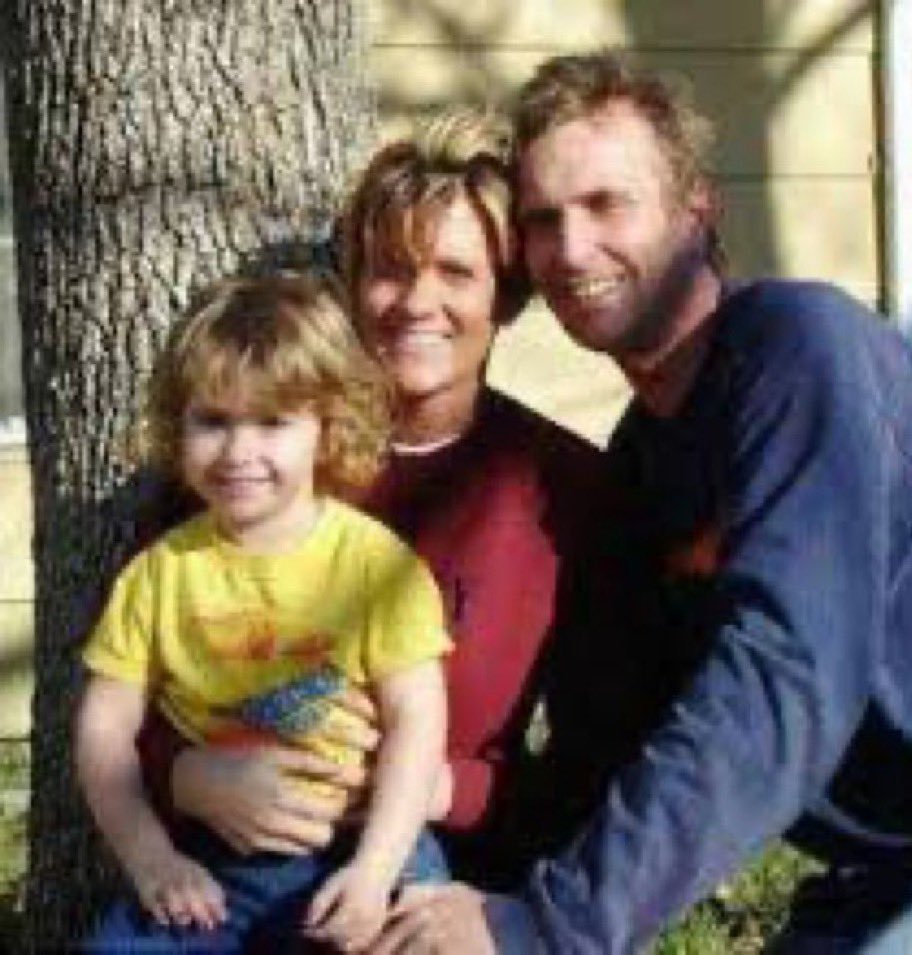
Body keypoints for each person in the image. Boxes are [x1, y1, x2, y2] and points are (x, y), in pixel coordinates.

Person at [414, 51, 912, 955]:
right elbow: (603, 748)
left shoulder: (803, 353)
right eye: (543, 220)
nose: (572, 248)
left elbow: (783, 676)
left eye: (607, 204)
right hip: (898, 872)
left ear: (696, 209)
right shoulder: (638, 470)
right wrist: (434, 837)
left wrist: (550, 928)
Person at [134, 110, 616, 948]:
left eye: (456, 272)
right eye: (391, 269)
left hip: (441, 886)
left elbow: (599, 763)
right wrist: (190, 775)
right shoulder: (249, 462)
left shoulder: (565, 490)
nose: (417, 302)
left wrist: (438, 786)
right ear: (355, 284)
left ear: (504, 295)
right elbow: (126, 690)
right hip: (229, 872)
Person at [76, 273, 452, 952]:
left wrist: (375, 872)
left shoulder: (377, 566)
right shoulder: (159, 575)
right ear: (178, 424)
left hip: (362, 847)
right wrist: (152, 861)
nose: (238, 452)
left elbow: (417, 723)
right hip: (213, 855)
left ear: (327, 428)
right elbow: (103, 731)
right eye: (213, 421)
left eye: (273, 422)